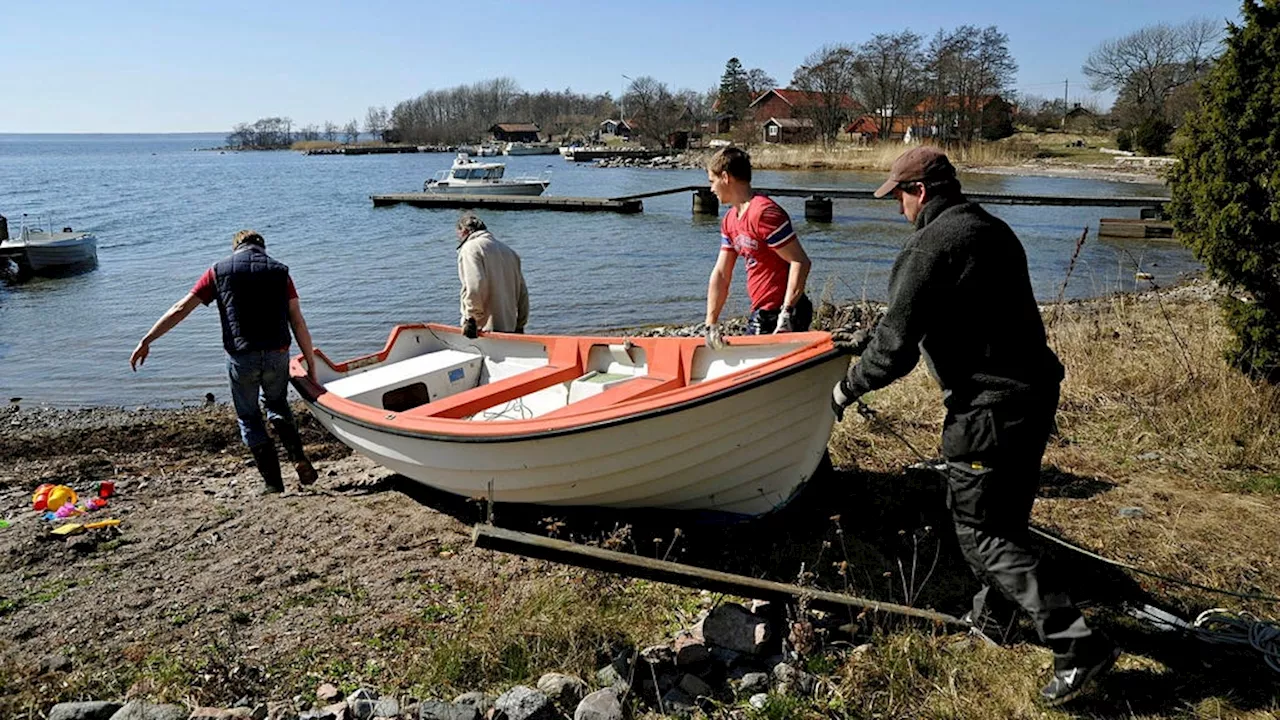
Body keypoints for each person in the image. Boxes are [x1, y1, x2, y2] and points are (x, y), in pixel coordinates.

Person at [829, 147, 1119, 706]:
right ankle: (997, 621)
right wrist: (864, 341)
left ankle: (1078, 645)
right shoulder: (990, 228)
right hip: (1033, 394)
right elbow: (916, 318)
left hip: (988, 407)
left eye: (898, 198)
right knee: (1004, 517)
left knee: (980, 532)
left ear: (920, 193)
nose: (897, 210)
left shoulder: (932, 242)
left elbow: (896, 348)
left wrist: (846, 388)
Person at [129, 230, 319, 494]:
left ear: (236, 248)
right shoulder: (280, 271)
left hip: (242, 357)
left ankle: (274, 484)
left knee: (249, 417)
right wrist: (310, 359)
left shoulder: (218, 271)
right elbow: (297, 319)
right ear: (262, 248)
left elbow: (181, 309)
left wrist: (147, 339)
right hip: (277, 352)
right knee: (277, 405)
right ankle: (298, 457)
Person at [703, 147, 812, 349]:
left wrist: (786, 313)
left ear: (725, 177)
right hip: (762, 311)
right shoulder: (729, 220)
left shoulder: (765, 214)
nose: (711, 189)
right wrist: (711, 322)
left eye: (712, 181)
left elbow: (800, 261)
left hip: (783, 311)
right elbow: (721, 273)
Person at [454, 212, 529, 338]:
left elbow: (475, 285)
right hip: (510, 327)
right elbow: (523, 294)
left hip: (484, 329)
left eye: (458, 235)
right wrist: (520, 324)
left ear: (464, 231)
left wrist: (471, 318)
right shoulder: (509, 252)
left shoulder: (470, 248)